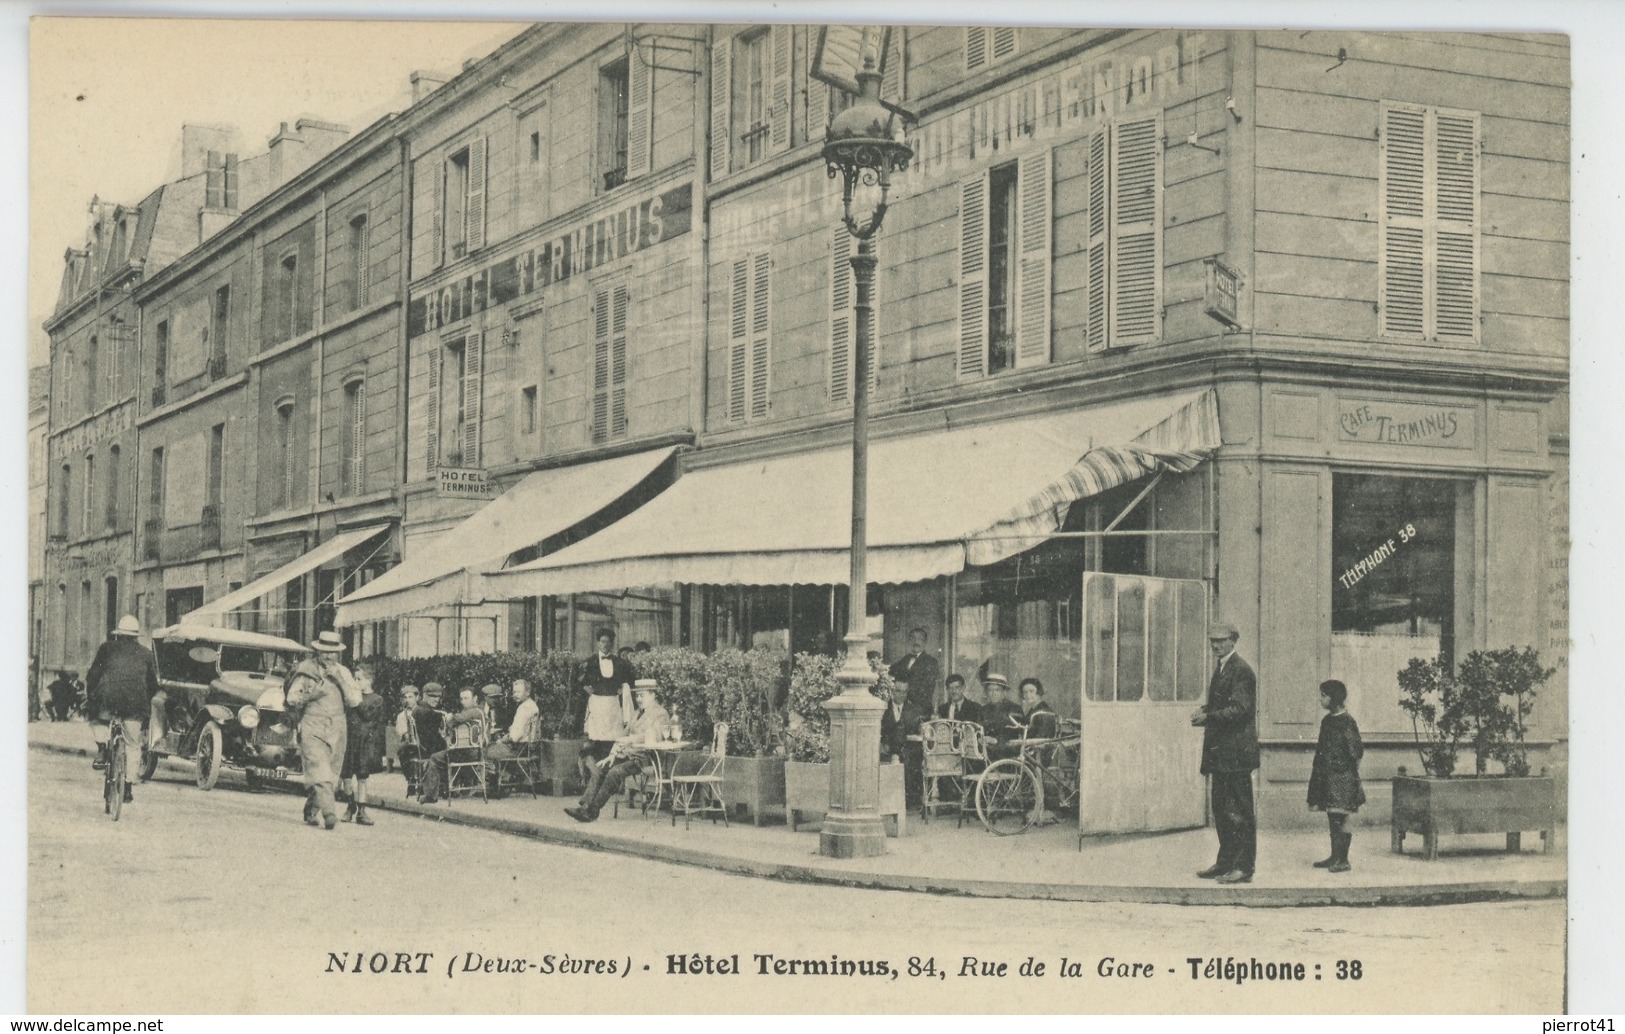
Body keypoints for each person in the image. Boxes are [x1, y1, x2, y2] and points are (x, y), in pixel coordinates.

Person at [1191, 621, 1260, 885]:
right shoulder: (1223, 667)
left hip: (1236, 756)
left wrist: (1208, 717)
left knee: (1240, 812)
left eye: (1220, 640)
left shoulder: (1241, 670)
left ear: (1234, 640)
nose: (1215, 645)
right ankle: (1225, 863)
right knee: (1221, 809)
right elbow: (1225, 703)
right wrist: (1205, 709)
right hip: (1223, 754)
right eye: (1212, 640)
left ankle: (1243, 867)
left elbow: (1240, 709)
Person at [285, 630, 363, 829]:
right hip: (312, 724)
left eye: (332, 652)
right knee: (319, 768)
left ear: (338, 653)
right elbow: (291, 699)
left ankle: (312, 808)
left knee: (331, 773)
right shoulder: (306, 670)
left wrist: (340, 680)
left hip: (337, 727)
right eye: (324, 652)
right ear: (317, 651)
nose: (328, 656)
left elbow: (355, 701)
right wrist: (312, 695)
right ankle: (330, 813)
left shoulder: (343, 672)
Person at [566, 679, 670, 822]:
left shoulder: (661, 714)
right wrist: (613, 754)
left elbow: (657, 736)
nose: (638, 699)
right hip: (627, 754)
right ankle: (584, 807)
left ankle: (593, 810)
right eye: (637, 696)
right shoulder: (637, 713)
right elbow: (623, 734)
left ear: (653, 696)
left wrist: (632, 740)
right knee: (600, 768)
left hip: (645, 758)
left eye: (642, 695)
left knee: (615, 772)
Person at [84, 616, 160, 802]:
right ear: (135, 636)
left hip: (107, 699)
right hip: (135, 704)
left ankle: (102, 748)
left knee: (97, 718)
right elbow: (152, 685)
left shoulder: (106, 648)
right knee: (133, 745)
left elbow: (92, 675)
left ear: (118, 634)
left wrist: (91, 695)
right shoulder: (146, 654)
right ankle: (127, 788)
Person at [1307, 678, 1365, 873]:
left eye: (1324, 695)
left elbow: (1356, 752)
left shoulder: (1347, 722)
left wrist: (1344, 773)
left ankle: (1344, 860)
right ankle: (1335, 856)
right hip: (1327, 778)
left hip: (1342, 779)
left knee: (1341, 817)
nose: (1320, 699)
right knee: (1333, 817)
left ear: (1334, 698)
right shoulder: (1327, 721)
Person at [576, 628, 634, 767]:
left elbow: (628, 681)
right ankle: (595, 770)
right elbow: (579, 682)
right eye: (602, 641)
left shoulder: (620, 663)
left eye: (608, 642)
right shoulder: (590, 662)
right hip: (597, 704)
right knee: (596, 738)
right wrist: (589, 691)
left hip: (613, 704)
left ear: (612, 644)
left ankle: (609, 766)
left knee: (613, 738)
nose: (605, 645)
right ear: (598, 643)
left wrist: (623, 689)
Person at [419, 687, 486, 804]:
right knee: (444, 755)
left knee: (435, 758)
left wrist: (449, 718)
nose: (463, 701)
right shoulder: (480, 711)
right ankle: (447, 789)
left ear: (475, 698)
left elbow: (457, 718)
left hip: (467, 753)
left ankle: (431, 795)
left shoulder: (472, 712)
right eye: (461, 699)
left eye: (466, 698)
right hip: (475, 752)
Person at [340, 663, 387, 825]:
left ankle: (361, 810)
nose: (355, 681)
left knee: (362, 777)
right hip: (349, 741)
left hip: (365, 743)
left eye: (359, 679)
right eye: (354, 678)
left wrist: (357, 702)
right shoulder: (351, 698)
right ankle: (350, 804)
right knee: (345, 776)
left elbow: (368, 716)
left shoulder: (377, 700)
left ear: (369, 681)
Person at [484, 678, 540, 797]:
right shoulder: (532, 705)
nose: (515, 695)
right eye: (514, 692)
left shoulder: (523, 709)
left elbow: (514, 737)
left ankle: (494, 786)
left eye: (518, 692)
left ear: (527, 692)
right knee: (495, 747)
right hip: (527, 747)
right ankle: (503, 781)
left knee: (486, 751)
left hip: (517, 749)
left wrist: (502, 740)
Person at [888, 627, 941, 714]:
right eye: (913, 638)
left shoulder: (931, 662)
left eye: (920, 639)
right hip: (902, 709)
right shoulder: (905, 659)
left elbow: (926, 690)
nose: (916, 642)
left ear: (925, 642)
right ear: (909, 641)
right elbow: (890, 674)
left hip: (920, 709)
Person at [394, 685, 424, 797]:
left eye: (410, 697)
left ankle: (422, 783)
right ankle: (411, 781)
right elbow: (402, 732)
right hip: (410, 743)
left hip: (424, 742)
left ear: (417, 697)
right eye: (405, 697)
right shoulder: (402, 715)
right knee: (404, 751)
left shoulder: (423, 711)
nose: (408, 700)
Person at [980, 673, 1022, 744]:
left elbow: (1013, 734)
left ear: (1004, 692)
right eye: (990, 690)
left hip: (1007, 752)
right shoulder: (983, 710)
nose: (993, 693)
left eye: (997, 690)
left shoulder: (1015, 709)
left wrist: (995, 740)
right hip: (985, 751)